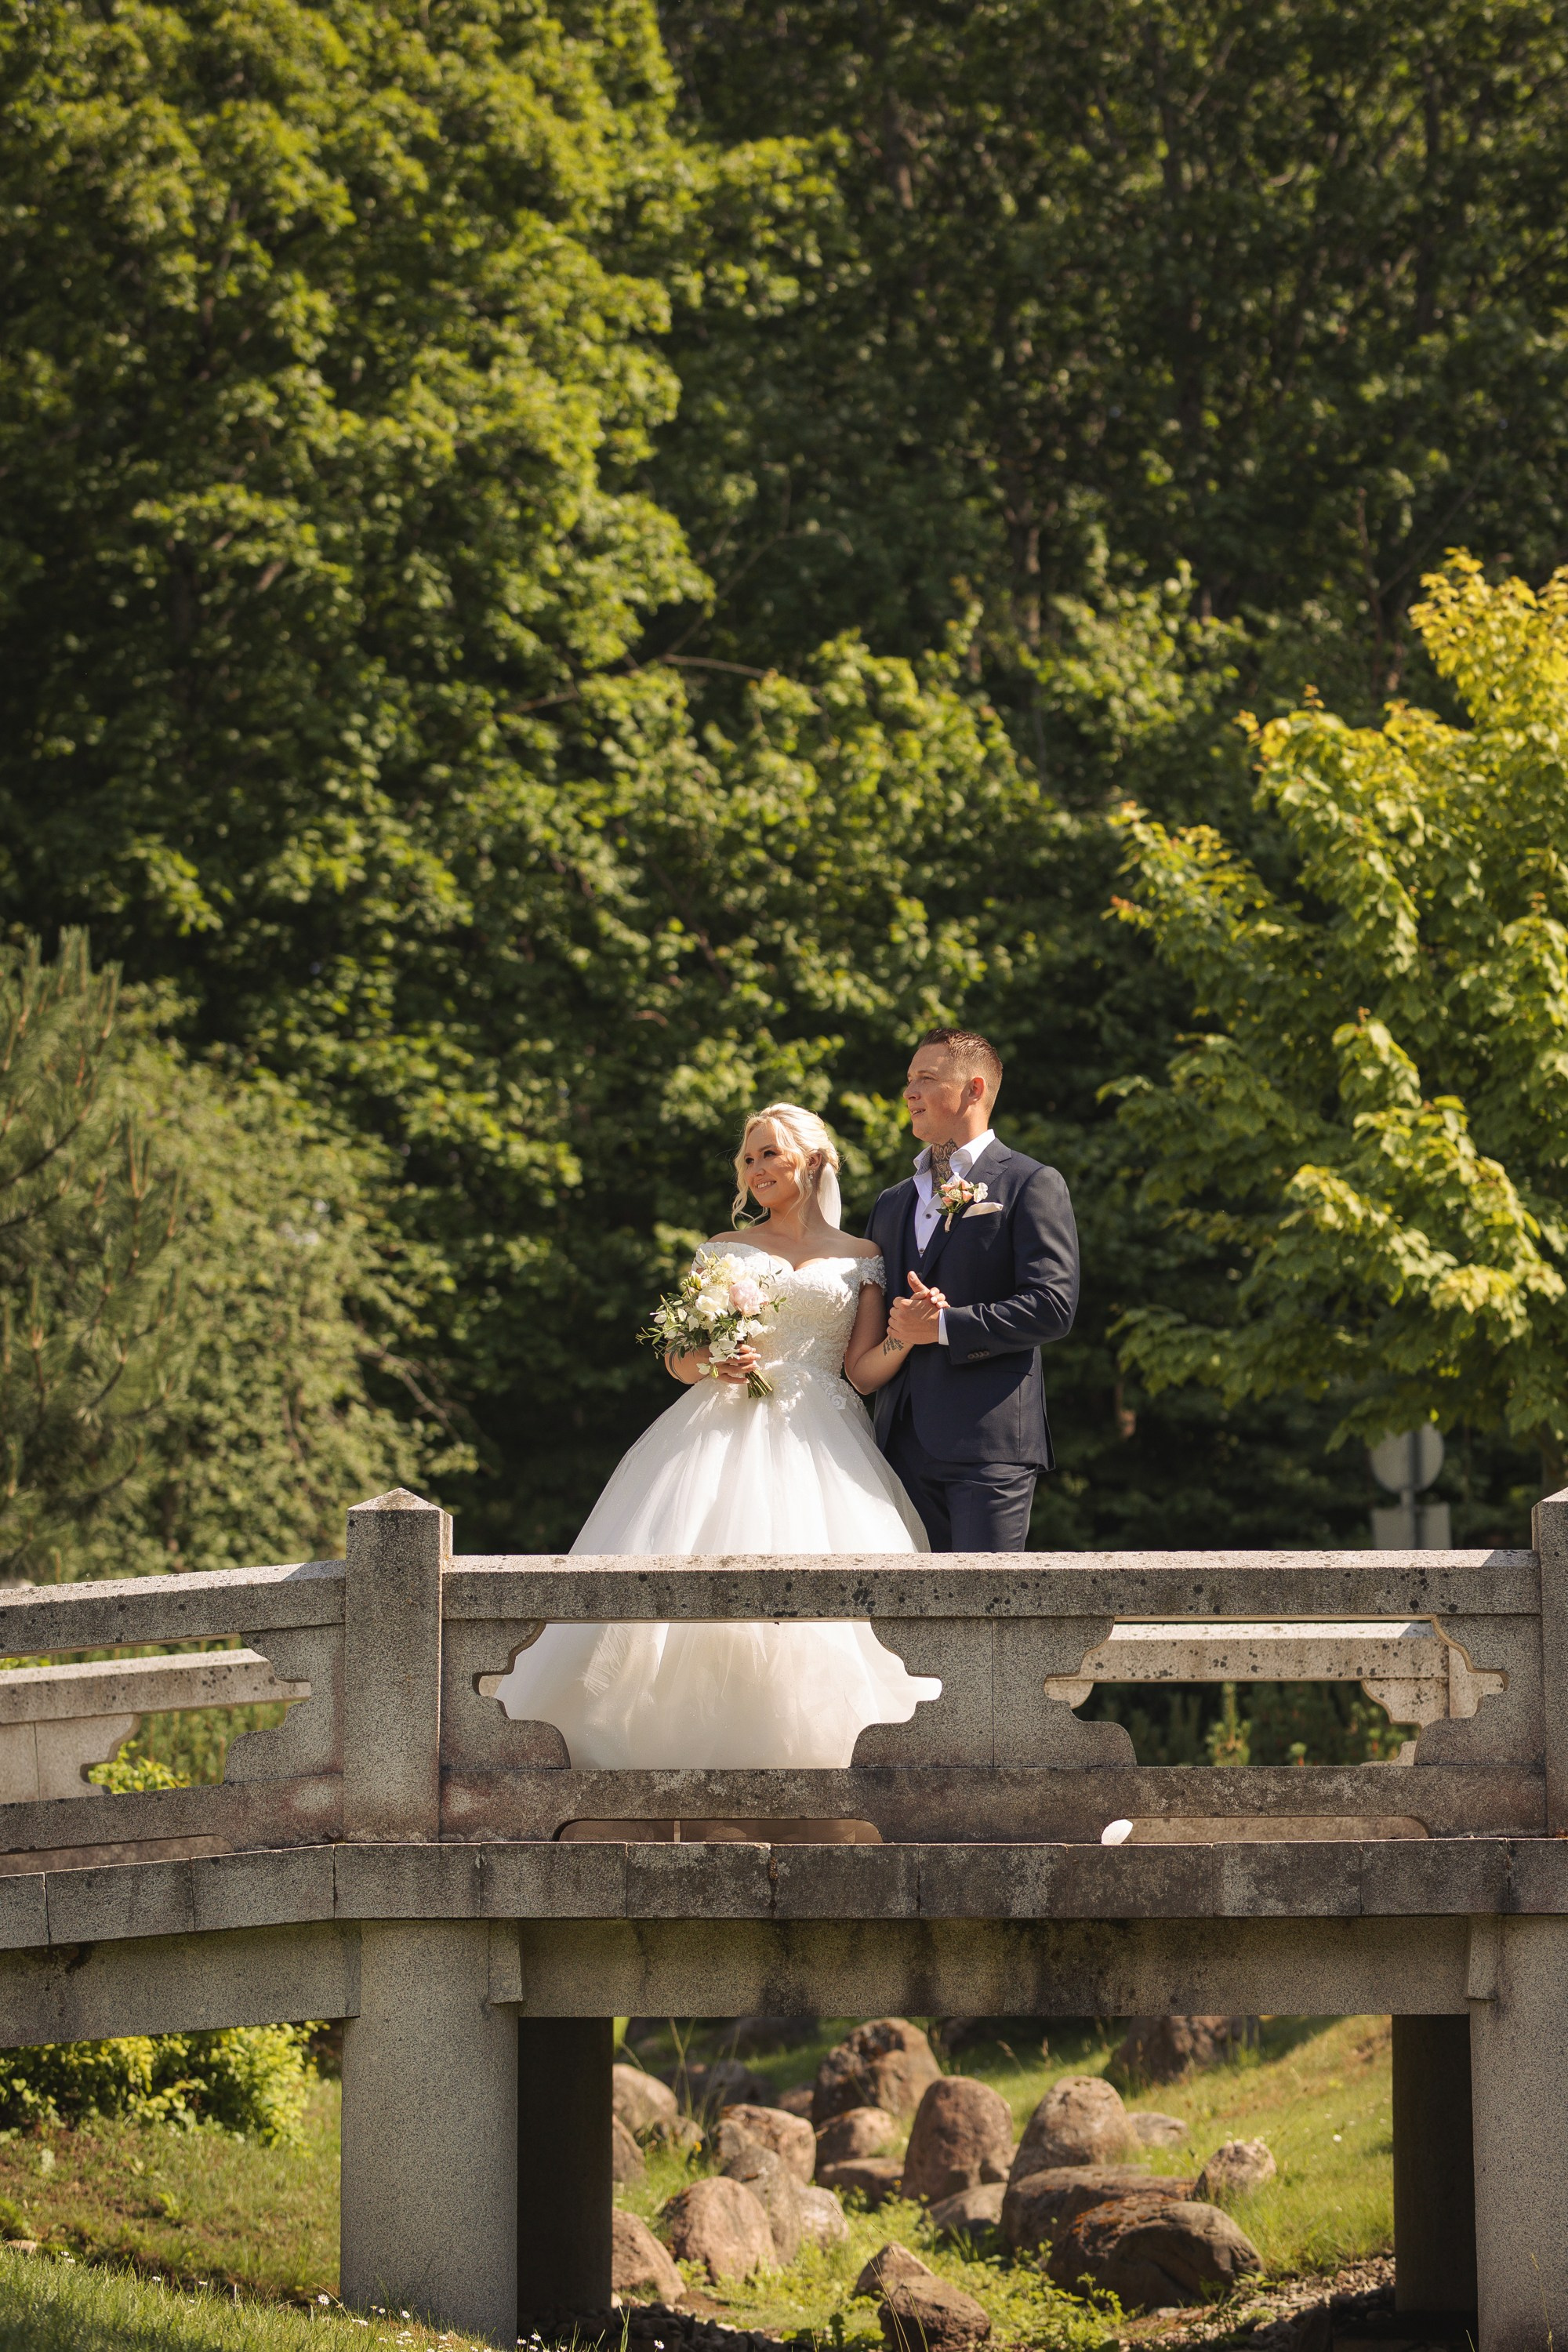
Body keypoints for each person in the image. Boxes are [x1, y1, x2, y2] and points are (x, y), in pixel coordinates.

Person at [494, 1104, 941, 1770]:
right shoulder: (723, 1251)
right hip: (718, 1427)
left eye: (770, 1155)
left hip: (823, 1439)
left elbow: (861, 1372)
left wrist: (904, 1336)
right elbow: (678, 1359)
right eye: (749, 1157)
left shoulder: (863, 1259)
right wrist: (713, 1364)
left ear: (812, 1161)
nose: (755, 1169)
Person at [865, 1028, 1079, 1552]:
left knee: (987, 1616)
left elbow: (1052, 1307)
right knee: (909, 1622)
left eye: (926, 1079)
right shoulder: (892, 1203)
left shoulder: (1030, 1182)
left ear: (974, 1089)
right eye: (908, 1080)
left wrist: (940, 1326)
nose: (909, 1092)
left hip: (989, 1446)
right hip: (897, 1445)